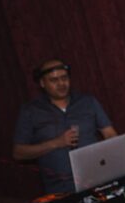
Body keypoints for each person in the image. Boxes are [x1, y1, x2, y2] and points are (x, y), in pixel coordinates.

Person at [13, 58, 118, 194]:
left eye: (64, 78)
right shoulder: (30, 111)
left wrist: (115, 163)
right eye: (54, 80)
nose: (61, 83)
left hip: (98, 180)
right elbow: (19, 153)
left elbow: (110, 134)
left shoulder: (87, 102)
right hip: (61, 189)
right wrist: (56, 143)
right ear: (42, 83)